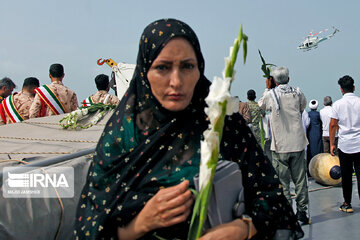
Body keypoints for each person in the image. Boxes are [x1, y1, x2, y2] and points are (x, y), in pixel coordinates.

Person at [74, 19, 303, 240]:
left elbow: (273, 199)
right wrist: (140, 224)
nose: (176, 81)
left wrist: (244, 228)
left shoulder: (224, 123)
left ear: (199, 68)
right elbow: (90, 225)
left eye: (187, 66)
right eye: (162, 67)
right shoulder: (123, 135)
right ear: (145, 72)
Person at [258, 66, 309, 224]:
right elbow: (302, 107)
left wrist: (267, 89)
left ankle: (288, 213)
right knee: (300, 180)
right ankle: (302, 212)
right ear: (288, 78)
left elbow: (261, 106)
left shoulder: (270, 95)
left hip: (280, 146)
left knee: (283, 182)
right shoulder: (297, 92)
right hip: (298, 143)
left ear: (273, 80)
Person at [329, 75, 360, 213]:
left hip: (345, 145)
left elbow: (333, 125)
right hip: (359, 144)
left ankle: (347, 204)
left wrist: (332, 144)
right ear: (353, 87)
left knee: (346, 176)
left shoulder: (337, 104)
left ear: (341, 89)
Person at [306, 99, 323, 165]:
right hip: (318, 134)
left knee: (310, 151)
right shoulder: (318, 114)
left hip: (310, 134)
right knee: (318, 150)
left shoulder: (308, 114)